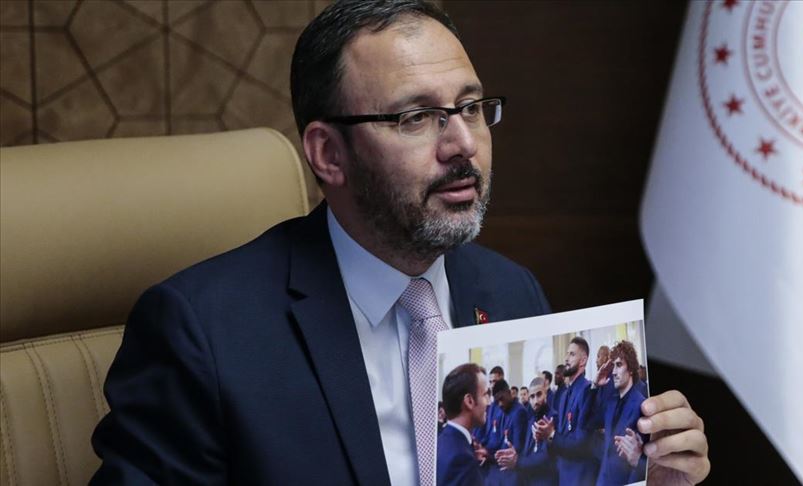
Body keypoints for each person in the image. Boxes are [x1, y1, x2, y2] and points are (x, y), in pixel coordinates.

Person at [90, 1, 709, 485]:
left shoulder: (509, 290)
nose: (462, 143)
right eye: (415, 118)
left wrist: (643, 478)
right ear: (329, 153)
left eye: (471, 107)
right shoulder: (204, 332)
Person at [534, 337, 598, 485]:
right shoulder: (563, 395)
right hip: (563, 475)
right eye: (567, 353)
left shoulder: (587, 390)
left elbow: (582, 445)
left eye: (572, 354)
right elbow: (560, 435)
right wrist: (545, 435)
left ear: (583, 361)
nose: (566, 358)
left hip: (580, 477)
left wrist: (551, 434)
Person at [584, 341, 648, 486]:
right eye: (613, 366)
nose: (613, 372)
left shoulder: (641, 406)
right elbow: (587, 421)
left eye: (619, 365)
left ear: (630, 369)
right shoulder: (610, 403)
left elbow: (645, 462)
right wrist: (594, 385)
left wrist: (638, 460)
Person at [496, 377, 557, 486]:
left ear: (546, 394)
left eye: (539, 394)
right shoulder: (531, 421)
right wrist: (514, 455)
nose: (536, 401)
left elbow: (545, 458)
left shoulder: (553, 419)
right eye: (532, 397)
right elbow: (526, 451)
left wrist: (517, 461)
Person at [438, 363, 490, 486]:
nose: (489, 402)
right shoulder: (462, 460)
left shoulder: (442, 441)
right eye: (485, 394)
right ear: (469, 401)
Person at [487, 380, 529, 486]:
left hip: (513, 471)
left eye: (502, 399)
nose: (500, 404)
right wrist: (486, 453)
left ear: (509, 393)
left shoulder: (519, 412)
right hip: (500, 467)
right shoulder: (502, 411)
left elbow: (517, 448)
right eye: (497, 401)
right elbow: (497, 441)